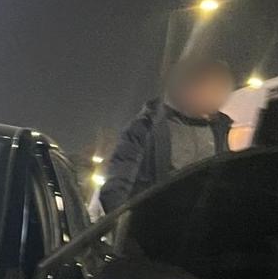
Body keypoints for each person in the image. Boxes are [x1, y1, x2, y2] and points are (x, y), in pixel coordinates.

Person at [97, 57, 234, 213]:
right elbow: (116, 189)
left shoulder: (220, 130)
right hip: (156, 224)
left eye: (222, 90)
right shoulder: (145, 128)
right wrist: (132, 223)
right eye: (213, 88)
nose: (220, 97)